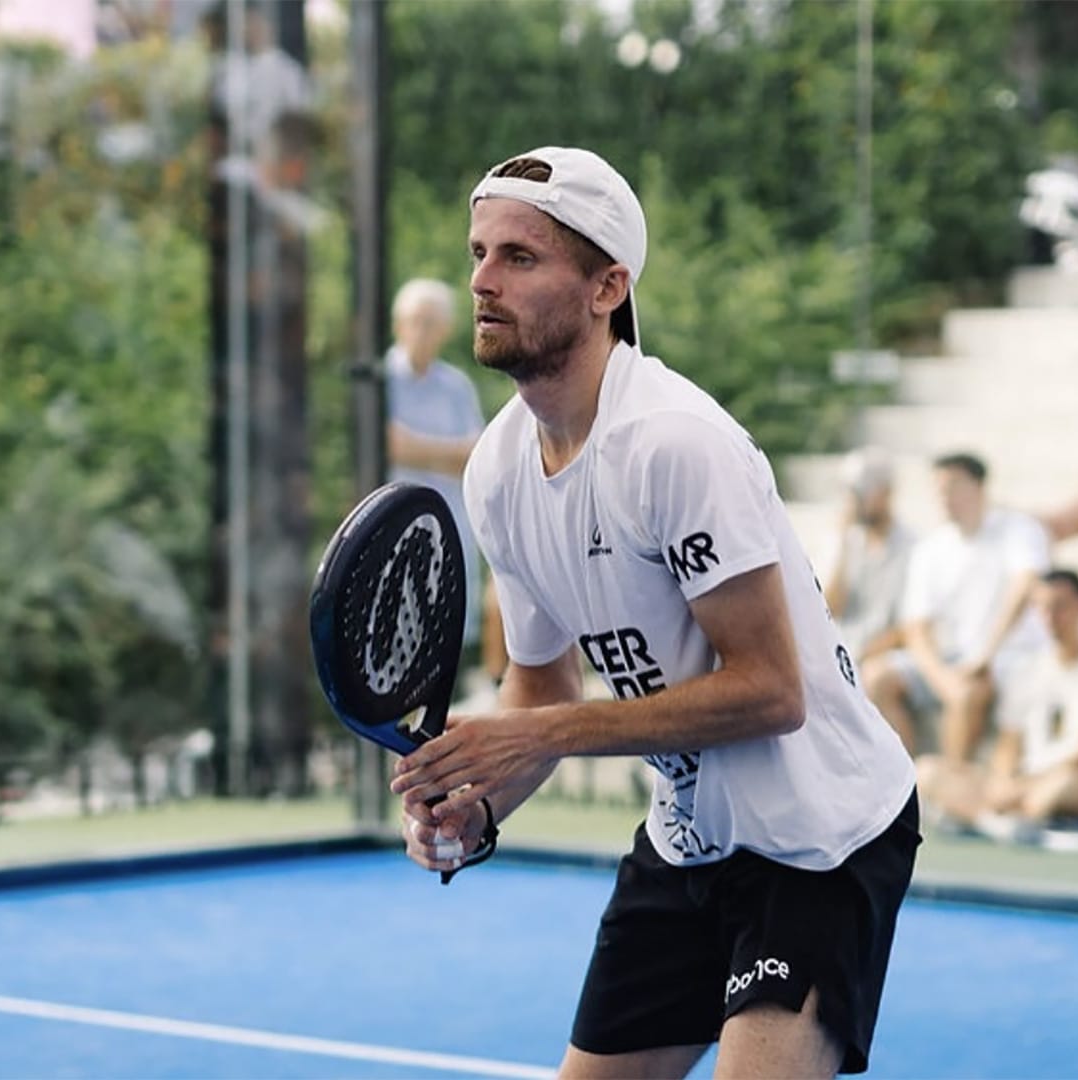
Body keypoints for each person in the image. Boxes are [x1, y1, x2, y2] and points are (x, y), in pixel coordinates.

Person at [391, 147, 918, 1079]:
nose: (481, 280)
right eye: (478, 253)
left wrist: (535, 732)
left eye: (519, 257)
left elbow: (769, 692)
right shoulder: (497, 470)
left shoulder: (675, 445)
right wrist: (478, 808)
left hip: (820, 837)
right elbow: (540, 688)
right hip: (687, 839)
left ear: (607, 286)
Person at [914, 570, 1078, 839]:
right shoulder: (1029, 669)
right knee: (927, 771)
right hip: (1025, 783)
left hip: (1077, 784)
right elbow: (1009, 743)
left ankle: (983, 816)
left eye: (1060, 607)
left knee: (1060, 790)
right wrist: (1004, 781)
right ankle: (995, 819)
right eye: (1042, 608)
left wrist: (1021, 788)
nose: (1051, 619)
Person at [861, 453, 1050, 762]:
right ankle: (908, 783)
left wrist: (985, 654)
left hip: (1014, 655)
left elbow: (1024, 589)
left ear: (979, 487)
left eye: (953, 486)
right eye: (938, 489)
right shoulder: (931, 549)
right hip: (957, 657)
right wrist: (940, 677)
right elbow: (916, 628)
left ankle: (952, 779)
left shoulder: (1019, 529)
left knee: (966, 692)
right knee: (877, 675)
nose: (944, 497)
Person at [382, 277, 501, 684]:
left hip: (447, 528)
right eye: (417, 320)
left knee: (438, 651)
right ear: (399, 323)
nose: (423, 330)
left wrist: (417, 449)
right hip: (392, 532)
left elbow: (477, 453)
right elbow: (389, 447)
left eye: (432, 322)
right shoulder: (381, 380)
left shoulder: (455, 385)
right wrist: (445, 453)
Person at [823, 447, 915, 666]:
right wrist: (842, 542)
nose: (853, 500)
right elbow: (829, 609)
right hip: (843, 654)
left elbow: (907, 628)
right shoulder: (844, 543)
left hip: (882, 659)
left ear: (886, 492)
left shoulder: (912, 548)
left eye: (860, 492)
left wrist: (861, 657)